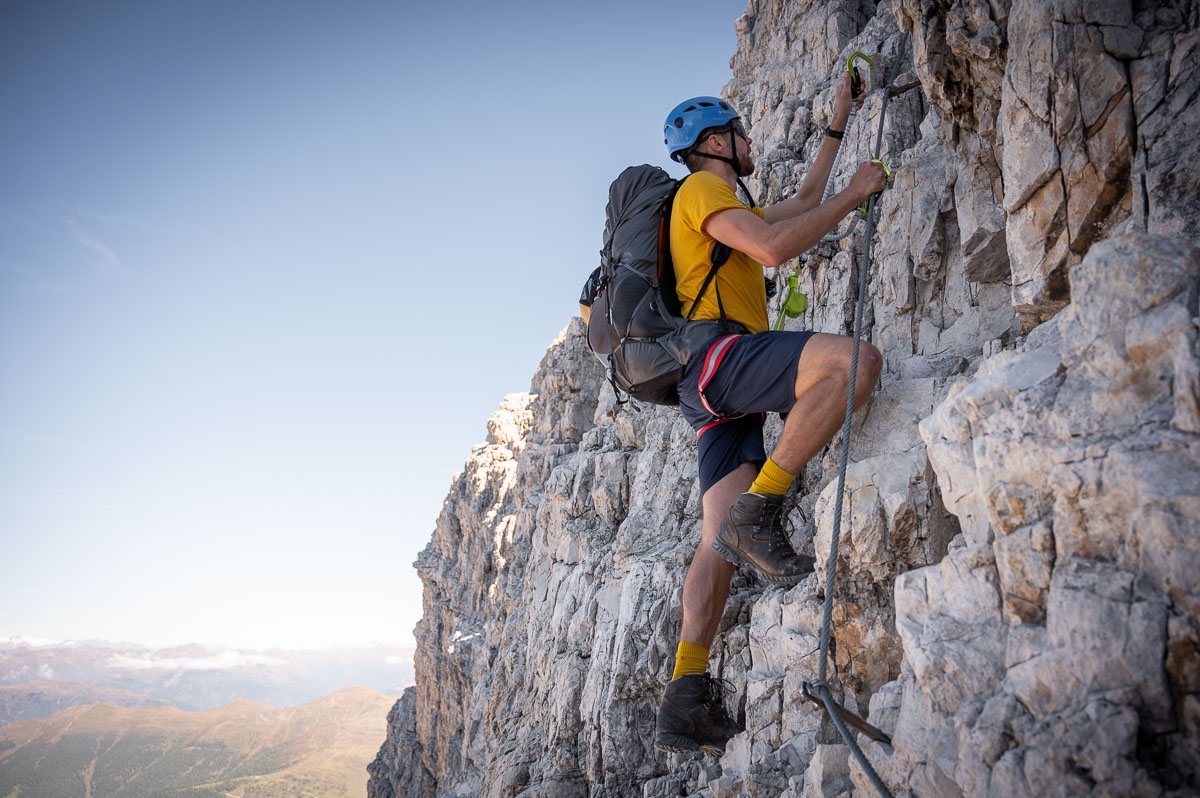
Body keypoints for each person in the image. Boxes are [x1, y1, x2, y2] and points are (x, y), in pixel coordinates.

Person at [653, 75, 888, 755]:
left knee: (715, 540)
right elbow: (774, 248)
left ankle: (686, 693)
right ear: (716, 142)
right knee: (858, 365)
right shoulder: (702, 191)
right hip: (722, 355)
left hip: (704, 380)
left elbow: (803, 205)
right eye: (742, 132)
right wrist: (856, 197)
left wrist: (839, 124)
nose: (752, 142)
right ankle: (765, 507)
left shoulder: (725, 200)